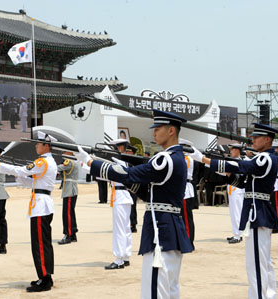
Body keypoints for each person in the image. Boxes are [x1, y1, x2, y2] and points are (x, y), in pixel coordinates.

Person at [76, 110, 193, 298]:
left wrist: (91, 162)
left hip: (160, 232)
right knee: (169, 290)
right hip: (169, 228)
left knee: (155, 292)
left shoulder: (165, 159)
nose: (154, 132)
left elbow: (129, 175)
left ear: (171, 130)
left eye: (159, 128)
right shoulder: (177, 158)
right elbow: (149, 194)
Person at [191, 123, 278, 299]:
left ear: (268, 139)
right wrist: (229, 174)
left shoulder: (264, 158)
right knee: (262, 260)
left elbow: (241, 166)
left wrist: (204, 159)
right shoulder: (263, 158)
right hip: (257, 210)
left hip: (258, 212)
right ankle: (268, 295)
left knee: (256, 262)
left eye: (257, 137)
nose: (253, 139)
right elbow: (242, 183)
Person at [0, 131, 57, 292]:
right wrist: (15, 172)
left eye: (39, 144)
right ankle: (45, 276)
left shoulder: (42, 162)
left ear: (46, 146)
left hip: (41, 205)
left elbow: (22, 171)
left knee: (39, 244)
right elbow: (28, 180)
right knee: (43, 243)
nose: (36, 146)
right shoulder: (47, 162)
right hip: (42, 202)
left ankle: (45, 279)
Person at [104, 139, 133, 270]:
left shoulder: (119, 162)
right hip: (124, 197)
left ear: (120, 148)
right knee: (125, 228)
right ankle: (125, 256)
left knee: (119, 229)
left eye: (114, 147)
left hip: (120, 198)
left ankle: (119, 259)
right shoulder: (124, 161)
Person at [57, 152, 79, 245]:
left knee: (67, 214)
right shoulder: (73, 162)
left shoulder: (69, 161)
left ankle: (68, 234)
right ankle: (73, 234)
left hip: (69, 190)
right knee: (70, 212)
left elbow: (57, 168)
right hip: (71, 189)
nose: (62, 153)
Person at [225, 143, 246, 244]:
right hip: (233, 188)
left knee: (236, 212)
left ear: (238, 151)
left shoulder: (242, 161)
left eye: (232, 150)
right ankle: (236, 233)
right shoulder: (233, 161)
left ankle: (238, 235)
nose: (230, 151)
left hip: (237, 189)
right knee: (234, 213)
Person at [179, 138, 196, 248]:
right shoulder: (183, 158)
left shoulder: (187, 158)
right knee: (181, 216)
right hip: (181, 188)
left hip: (185, 189)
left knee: (186, 217)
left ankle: (189, 242)